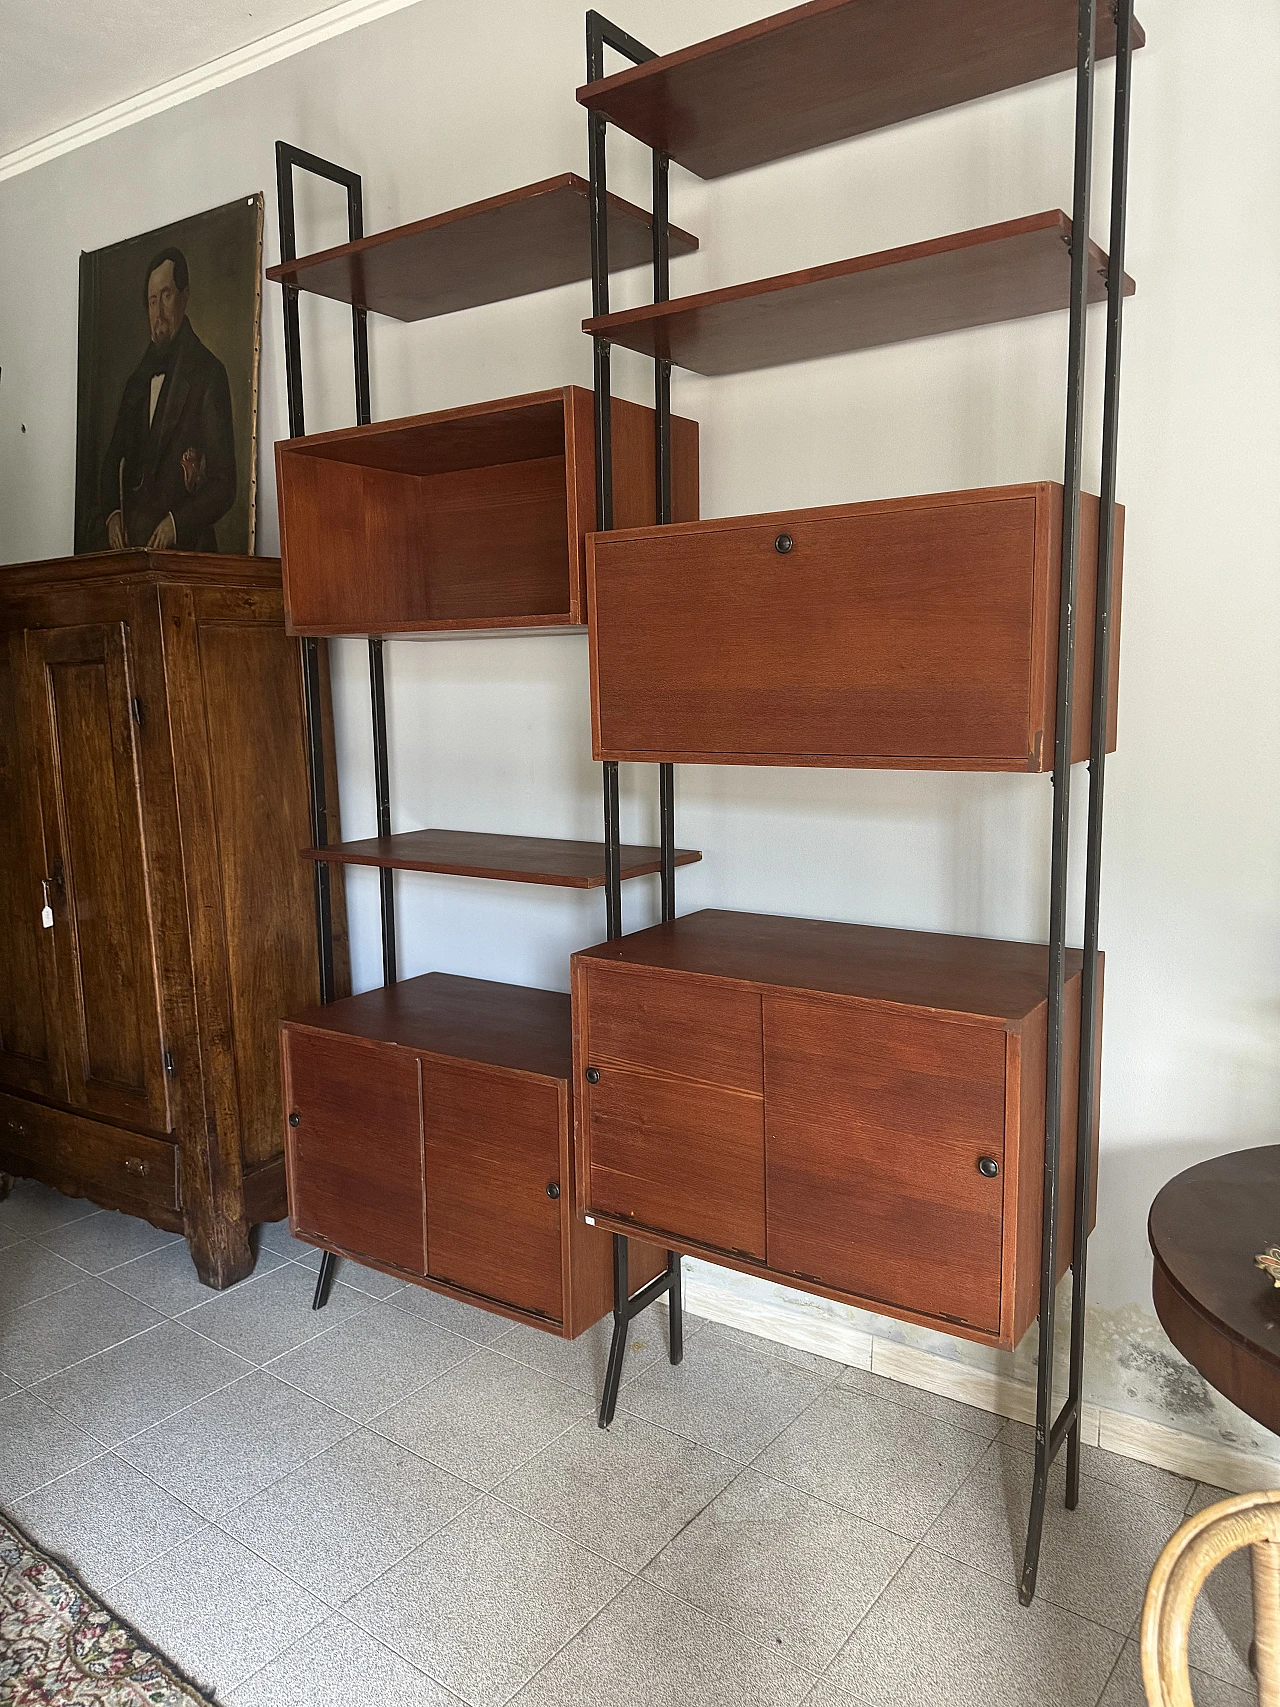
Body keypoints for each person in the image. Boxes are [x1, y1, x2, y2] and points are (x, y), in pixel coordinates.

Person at [100, 247, 236, 551]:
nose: (158, 312)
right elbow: (111, 462)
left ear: (184, 297)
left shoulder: (209, 374)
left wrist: (177, 523)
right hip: (134, 554)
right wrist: (113, 515)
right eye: (152, 301)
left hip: (188, 555)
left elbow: (224, 485)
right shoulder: (137, 382)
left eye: (166, 296)